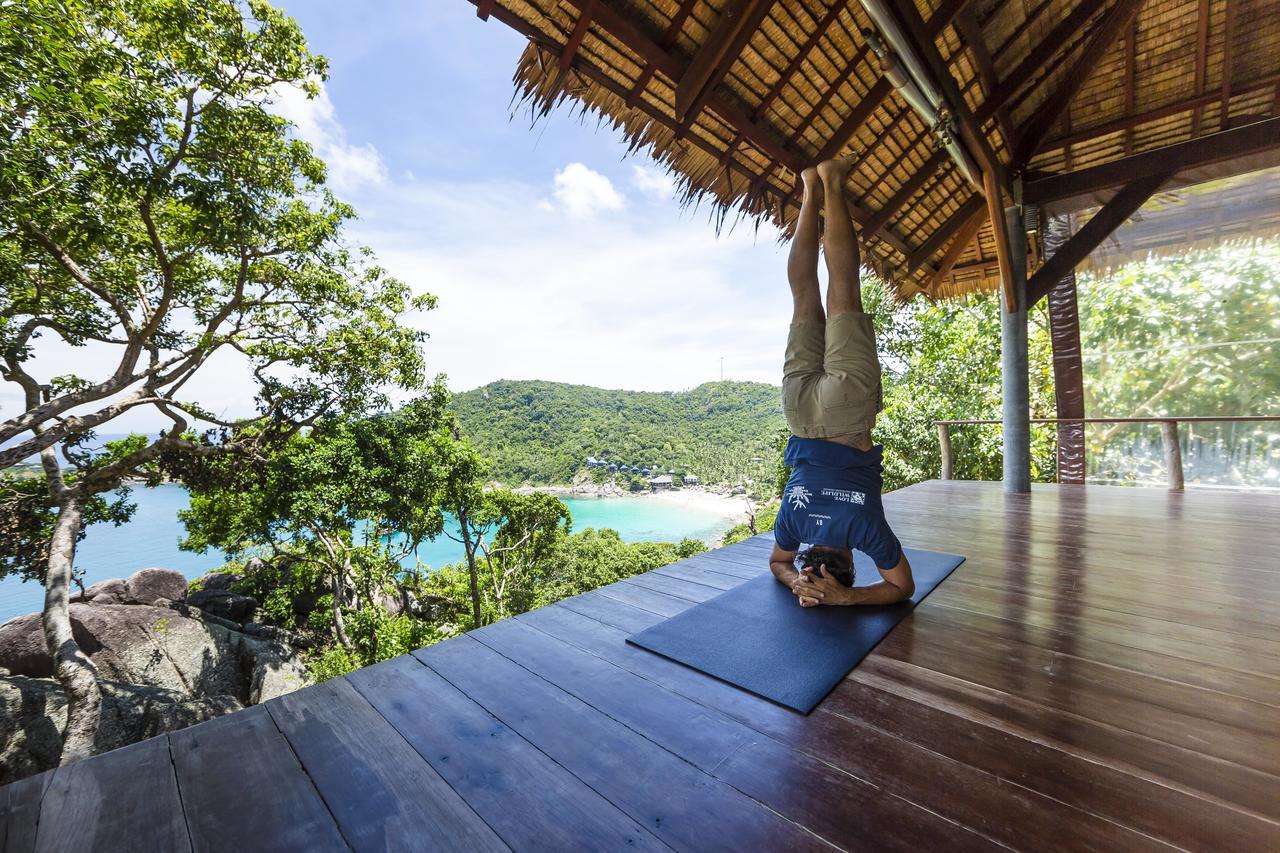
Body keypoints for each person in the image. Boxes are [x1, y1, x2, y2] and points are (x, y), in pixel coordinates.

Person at [767, 158, 915, 608]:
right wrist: (795, 580)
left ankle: (830, 180)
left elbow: (901, 588)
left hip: (846, 413)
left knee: (844, 288)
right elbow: (777, 562)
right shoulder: (791, 524)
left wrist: (846, 600)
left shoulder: (864, 528)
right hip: (798, 413)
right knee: (804, 298)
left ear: (852, 562)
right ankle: (809, 187)